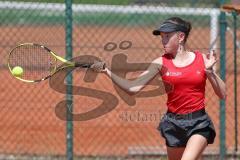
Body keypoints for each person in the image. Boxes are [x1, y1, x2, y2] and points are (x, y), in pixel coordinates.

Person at [91, 17, 226, 160]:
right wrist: (107, 71)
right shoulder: (160, 62)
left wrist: (210, 72)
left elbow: (222, 94)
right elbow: (132, 88)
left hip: (198, 123)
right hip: (173, 124)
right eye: (162, 37)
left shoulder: (202, 60)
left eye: (167, 36)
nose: (163, 41)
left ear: (181, 37)